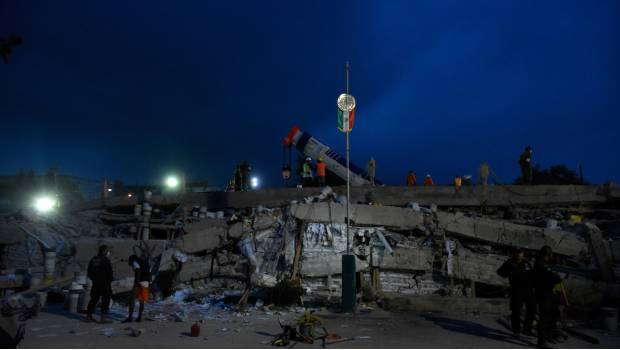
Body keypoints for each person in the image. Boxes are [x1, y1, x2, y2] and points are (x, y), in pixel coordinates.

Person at [497, 248, 535, 339]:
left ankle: (526, 329)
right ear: (514, 254)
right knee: (516, 311)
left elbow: (532, 274)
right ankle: (516, 331)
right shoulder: (510, 262)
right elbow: (500, 272)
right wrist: (510, 273)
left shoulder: (526, 263)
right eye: (517, 253)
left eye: (520, 253)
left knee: (532, 309)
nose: (519, 255)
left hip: (528, 289)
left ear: (523, 254)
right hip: (516, 290)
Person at [532, 245, 562, 348]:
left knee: (553, 314)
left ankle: (549, 336)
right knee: (544, 318)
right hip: (543, 294)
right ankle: (541, 342)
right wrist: (556, 277)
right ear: (546, 255)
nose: (550, 257)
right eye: (549, 255)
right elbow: (547, 277)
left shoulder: (544, 263)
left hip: (549, 293)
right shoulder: (539, 265)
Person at [86, 245, 114, 323]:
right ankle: (103, 319)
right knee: (106, 300)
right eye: (107, 251)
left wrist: (94, 279)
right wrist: (110, 280)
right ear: (104, 251)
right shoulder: (105, 260)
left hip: (95, 283)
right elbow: (109, 272)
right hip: (105, 283)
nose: (108, 252)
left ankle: (88, 317)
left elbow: (89, 272)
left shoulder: (94, 259)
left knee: (94, 299)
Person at [122, 248, 151, 323]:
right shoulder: (147, 263)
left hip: (139, 282)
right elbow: (149, 273)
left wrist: (137, 283)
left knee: (132, 299)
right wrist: (149, 283)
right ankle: (139, 317)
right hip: (146, 282)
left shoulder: (135, 262)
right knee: (142, 300)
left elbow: (138, 271)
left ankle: (130, 317)